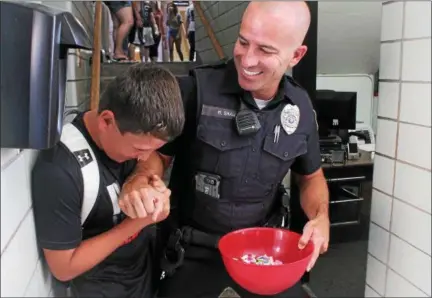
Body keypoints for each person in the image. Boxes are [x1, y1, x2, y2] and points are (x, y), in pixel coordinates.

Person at [119, 2, 330, 297]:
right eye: (243, 42)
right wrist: (141, 180)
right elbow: (156, 155)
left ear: (296, 55)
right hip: (192, 253)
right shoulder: (196, 90)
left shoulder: (301, 107)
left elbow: (311, 177)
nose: (247, 59)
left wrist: (321, 217)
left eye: (265, 50)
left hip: (262, 253)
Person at [31, 64, 185, 298]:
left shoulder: (129, 134)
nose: (144, 156)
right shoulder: (60, 171)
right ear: (106, 121)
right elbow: (63, 268)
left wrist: (141, 179)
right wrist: (137, 222)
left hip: (143, 272)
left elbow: (151, 157)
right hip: (99, 287)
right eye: (138, 149)